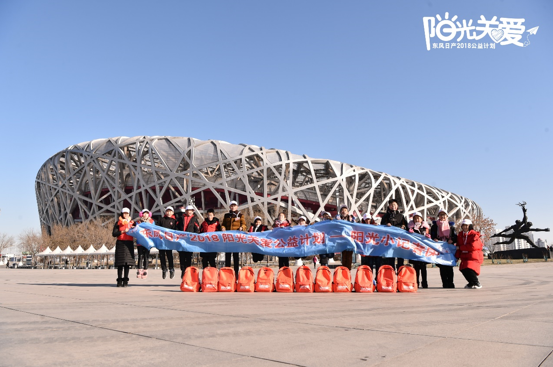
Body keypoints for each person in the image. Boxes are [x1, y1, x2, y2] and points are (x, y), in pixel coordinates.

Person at [430, 208, 458, 288]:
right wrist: (435, 239)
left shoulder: (451, 226)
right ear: (438, 216)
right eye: (441, 215)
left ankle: (451, 283)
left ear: (446, 216)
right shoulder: (435, 226)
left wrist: (451, 240)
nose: (442, 216)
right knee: (442, 267)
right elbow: (432, 236)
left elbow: (455, 237)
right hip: (439, 248)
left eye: (444, 215)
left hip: (448, 248)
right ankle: (445, 283)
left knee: (449, 267)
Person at [456, 219, 484, 289]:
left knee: (469, 268)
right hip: (465, 256)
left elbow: (473, 246)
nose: (465, 227)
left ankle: (476, 283)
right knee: (463, 268)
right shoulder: (460, 235)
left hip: (473, 255)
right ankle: (471, 283)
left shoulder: (474, 235)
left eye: (466, 225)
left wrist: (461, 248)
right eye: (463, 225)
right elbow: (458, 246)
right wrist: (457, 257)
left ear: (470, 226)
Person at [380, 199, 407, 270]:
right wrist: (386, 225)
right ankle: (391, 276)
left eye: (394, 204)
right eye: (391, 205)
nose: (393, 206)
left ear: (397, 206)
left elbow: (405, 225)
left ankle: (400, 276)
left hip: (399, 241)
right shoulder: (385, 216)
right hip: (390, 241)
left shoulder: (401, 216)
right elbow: (381, 226)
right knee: (390, 259)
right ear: (389, 206)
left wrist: (403, 226)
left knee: (400, 260)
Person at [111, 208, 135, 287]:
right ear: (121, 214)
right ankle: (119, 280)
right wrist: (123, 231)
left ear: (129, 214)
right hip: (120, 243)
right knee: (120, 263)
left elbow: (138, 231)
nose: (125, 215)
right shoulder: (118, 223)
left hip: (129, 243)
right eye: (124, 213)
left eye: (127, 213)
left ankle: (126, 280)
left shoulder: (132, 222)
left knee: (127, 263)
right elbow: (114, 233)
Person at [221, 200, 246, 275]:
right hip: (228, 238)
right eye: (231, 206)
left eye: (234, 206)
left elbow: (244, 224)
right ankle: (227, 273)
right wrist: (223, 228)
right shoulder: (226, 215)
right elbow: (223, 224)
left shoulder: (240, 215)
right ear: (229, 207)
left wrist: (242, 227)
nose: (233, 207)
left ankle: (236, 274)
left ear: (237, 207)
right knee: (227, 256)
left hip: (236, 239)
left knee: (236, 256)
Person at [407, 212, 431, 288]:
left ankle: (424, 282)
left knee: (423, 268)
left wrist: (429, 237)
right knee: (416, 267)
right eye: (415, 218)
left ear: (421, 219)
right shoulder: (411, 228)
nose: (417, 219)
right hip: (415, 250)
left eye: (418, 218)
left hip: (423, 250)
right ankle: (416, 282)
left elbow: (431, 238)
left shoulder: (426, 228)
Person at [178, 205, 200, 279]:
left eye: (191, 210)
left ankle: (187, 272)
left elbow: (197, 229)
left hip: (189, 242)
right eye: (188, 210)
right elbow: (176, 228)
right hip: (181, 241)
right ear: (186, 211)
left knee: (188, 257)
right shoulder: (181, 218)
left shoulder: (194, 219)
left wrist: (195, 237)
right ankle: (183, 270)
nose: (189, 212)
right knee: (181, 256)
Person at [335, 204, 357, 270]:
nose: (343, 212)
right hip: (342, 241)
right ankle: (344, 273)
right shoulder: (338, 218)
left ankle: (348, 273)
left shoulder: (351, 218)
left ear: (347, 212)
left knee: (349, 258)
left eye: (345, 210)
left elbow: (355, 226)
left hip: (350, 241)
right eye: (342, 210)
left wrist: (352, 221)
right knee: (344, 257)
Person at [158, 206, 177, 279]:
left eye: (170, 211)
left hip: (169, 241)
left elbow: (176, 230)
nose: (169, 213)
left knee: (169, 255)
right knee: (162, 255)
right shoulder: (161, 220)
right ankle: (164, 269)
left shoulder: (174, 221)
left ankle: (171, 269)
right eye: (167, 211)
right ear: (165, 212)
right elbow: (156, 228)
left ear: (172, 212)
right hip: (162, 241)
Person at [135, 209, 154, 279]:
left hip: (148, 242)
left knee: (146, 256)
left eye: (146, 213)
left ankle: (145, 270)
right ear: (141, 214)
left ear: (149, 214)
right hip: (140, 242)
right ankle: (139, 270)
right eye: (144, 213)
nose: (145, 214)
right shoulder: (138, 222)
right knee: (140, 256)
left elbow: (154, 231)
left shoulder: (152, 222)